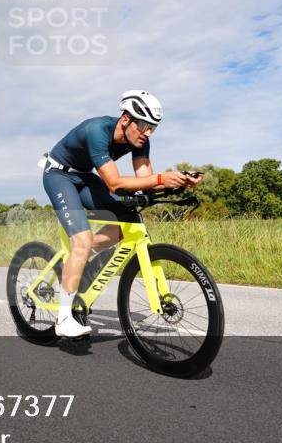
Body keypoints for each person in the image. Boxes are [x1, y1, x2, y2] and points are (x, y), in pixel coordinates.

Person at [40, 90, 203, 338]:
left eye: (153, 128)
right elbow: (114, 183)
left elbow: (146, 180)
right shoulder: (97, 130)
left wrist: (178, 181)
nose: (148, 133)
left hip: (85, 177)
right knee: (82, 240)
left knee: (127, 220)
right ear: (126, 119)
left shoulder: (141, 140)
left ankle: (79, 258)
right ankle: (64, 319)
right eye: (145, 126)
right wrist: (161, 178)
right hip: (59, 175)